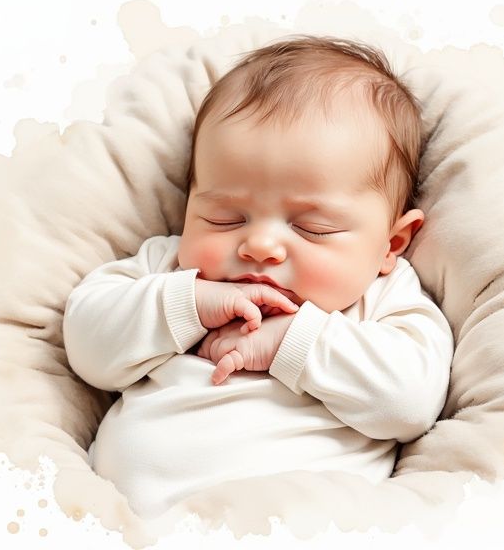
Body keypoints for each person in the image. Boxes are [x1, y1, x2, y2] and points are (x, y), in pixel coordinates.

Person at [62, 35, 454, 518]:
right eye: (225, 218)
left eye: (313, 227)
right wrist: (185, 305)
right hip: (130, 524)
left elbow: (410, 404)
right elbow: (86, 347)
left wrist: (292, 342)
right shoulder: (167, 269)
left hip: (295, 524)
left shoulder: (383, 300)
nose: (260, 246)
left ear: (390, 245)